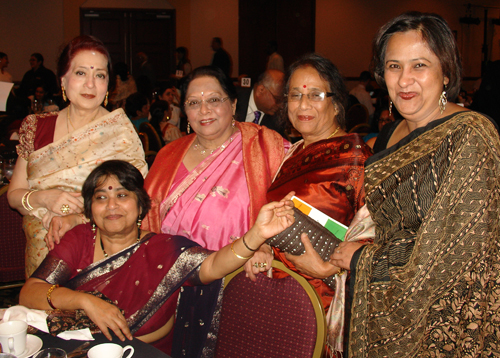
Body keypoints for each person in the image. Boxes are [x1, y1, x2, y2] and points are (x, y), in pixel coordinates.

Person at [330, 12, 500, 357]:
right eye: (394, 66)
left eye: (419, 65)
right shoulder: (389, 136)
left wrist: (364, 260)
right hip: (383, 307)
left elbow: (459, 254)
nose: (405, 80)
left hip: (445, 316)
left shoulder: (470, 135)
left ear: (446, 72)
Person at [19, 160, 295, 355]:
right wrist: (85, 301)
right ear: (90, 208)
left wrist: (257, 235)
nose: (112, 205)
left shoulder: (165, 248)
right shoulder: (79, 238)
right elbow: (30, 293)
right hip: (80, 350)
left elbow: (212, 265)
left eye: (123, 195)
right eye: (101, 197)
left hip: (147, 352)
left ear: (140, 204)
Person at [244, 53, 372, 356]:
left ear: (336, 102)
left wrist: (331, 270)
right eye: (295, 95)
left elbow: (381, 246)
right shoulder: (295, 151)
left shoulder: (357, 159)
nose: (303, 105)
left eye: (315, 95)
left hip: (325, 307)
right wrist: (262, 245)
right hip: (279, 297)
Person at [7, 35, 148, 278]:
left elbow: (131, 201)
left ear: (108, 84)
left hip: (99, 259)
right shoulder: (37, 127)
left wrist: (76, 218)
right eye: (81, 73)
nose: (91, 85)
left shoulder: (119, 134)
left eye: (100, 75)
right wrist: (45, 198)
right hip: (41, 256)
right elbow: (13, 196)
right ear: (63, 79)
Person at [142, 66, 288, 251]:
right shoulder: (167, 156)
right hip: (169, 269)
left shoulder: (265, 147)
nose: (204, 110)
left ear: (233, 104)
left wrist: (265, 246)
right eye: (194, 103)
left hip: (239, 273)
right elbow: (147, 223)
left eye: (213, 100)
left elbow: (292, 209)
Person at [235, 69, 286, 137]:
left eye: (283, 100)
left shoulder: (277, 119)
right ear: (260, 90)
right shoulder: (232, 100)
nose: (280, 105)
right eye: (278, 99)